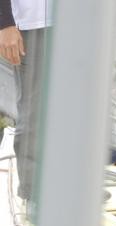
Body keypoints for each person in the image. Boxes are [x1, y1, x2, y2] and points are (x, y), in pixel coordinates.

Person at [0, 0, 52, 206]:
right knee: (34, 112)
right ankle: (33, 194)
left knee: (76, 112)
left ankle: (73, 185)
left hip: (77, 24)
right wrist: (4, 24)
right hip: (33, 23)